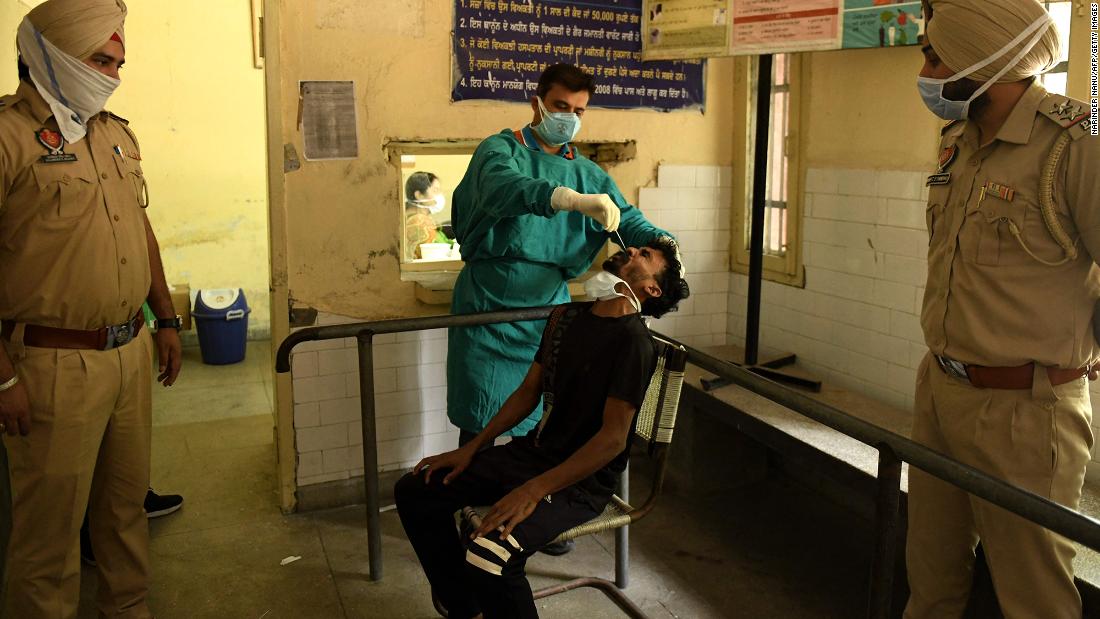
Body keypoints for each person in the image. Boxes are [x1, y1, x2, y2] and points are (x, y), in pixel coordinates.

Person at [907, 1, 1098, 616]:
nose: (928, 71)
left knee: (1034, 598)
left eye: (937, 57)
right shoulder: (958, 142)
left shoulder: (1077, 145)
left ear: (983, 62)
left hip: (1025, 412)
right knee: (931, 579)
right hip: (939, 389)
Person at [0, 1, 183, 615]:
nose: (112, 75)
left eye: (118, 63)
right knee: (49, 540)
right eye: (99, 60)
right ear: (48, 55)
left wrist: (167, 316)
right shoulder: (8, 138)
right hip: (51, 366)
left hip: (129, 352)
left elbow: (140, 227)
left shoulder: (113, 132)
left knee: (125, 515)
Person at [396, 238, 689, 619]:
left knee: (489, 555)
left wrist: (534, 490)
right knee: (416, 490)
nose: (632, 251)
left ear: (652, 289)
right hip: (532, 455)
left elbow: (613, 440)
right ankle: (465, 608)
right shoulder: (565, 317)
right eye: (636, 249)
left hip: (580, 482)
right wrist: (473, 448)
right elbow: (527, 392)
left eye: (645, 256)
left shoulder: (634, 342)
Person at [448, 63, 677, 447]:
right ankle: (467, 499)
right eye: (560, 106)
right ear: (536, 103)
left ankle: (524, 496)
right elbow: (499, 187)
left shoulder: (589, 175)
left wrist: (665, 244)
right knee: (479, 417)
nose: (568, 117)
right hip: (488, 307)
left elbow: (627, 220)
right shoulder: (501, 150)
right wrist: (561, 198)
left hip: (547, 311)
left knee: (541, 417)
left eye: (578, 111)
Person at [404, 171, 451, 260]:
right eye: (435, 191)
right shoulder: (418, 222)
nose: (440, 196)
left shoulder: (416, 219)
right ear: (419, 195)